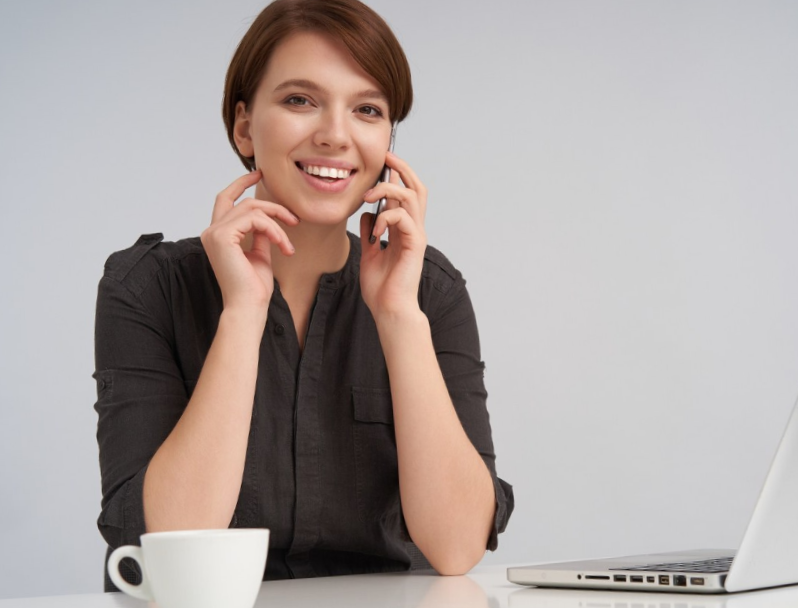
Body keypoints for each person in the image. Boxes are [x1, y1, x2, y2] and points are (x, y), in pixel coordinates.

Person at [93, 0, 513, 591]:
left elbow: (456, 547)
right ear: (243, 125)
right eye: (300, 100)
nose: (335, 135)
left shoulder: (427, 290)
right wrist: (242, 313)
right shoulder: (147, 288)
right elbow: (165, 546)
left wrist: (398, 318)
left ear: (388, 139)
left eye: (367, 110)